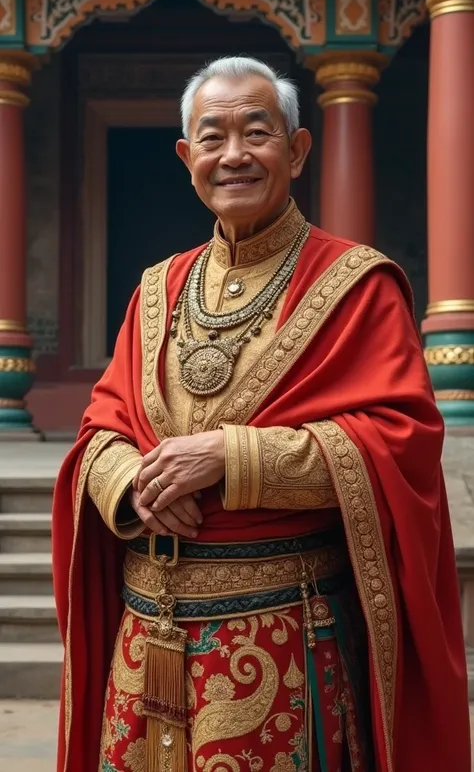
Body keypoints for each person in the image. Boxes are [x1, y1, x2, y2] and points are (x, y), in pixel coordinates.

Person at [53, 55, 470, 772]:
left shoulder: (357, 287)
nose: (234, 155)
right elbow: (101, 426)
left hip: (284, 639)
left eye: (257, 131)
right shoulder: (156, 287)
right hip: (142, 639)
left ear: (298, 149)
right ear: (188, 158)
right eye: (212, 137)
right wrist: (132, 483)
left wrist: (228, 457)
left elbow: (400, 440)